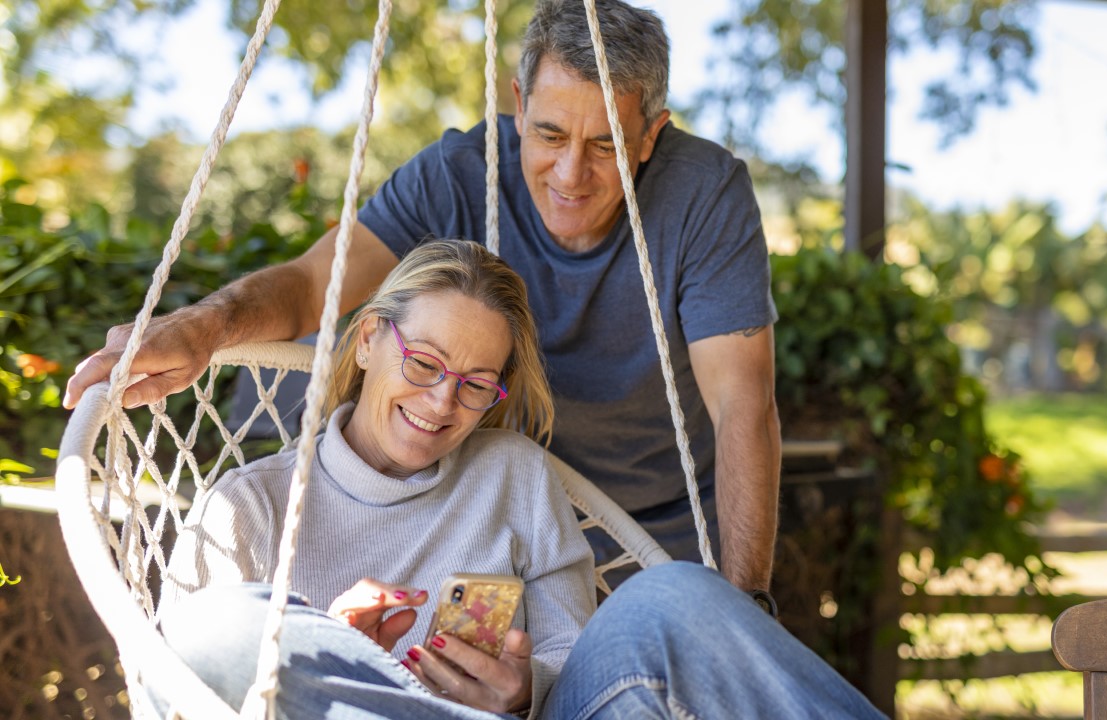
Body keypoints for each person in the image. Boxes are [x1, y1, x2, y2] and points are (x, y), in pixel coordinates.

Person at [64, 0, 781, 598]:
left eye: (607, 147)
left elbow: (741, 403)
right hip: (477, 526)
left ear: (652, 133)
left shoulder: (703, 194)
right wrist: (202, 327)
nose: (571, 173)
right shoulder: (461, 172)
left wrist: (746, 604)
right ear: (518, 103)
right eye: (550, 133)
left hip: (649, 540)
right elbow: (320, 282)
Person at [152, 239, 885, 720]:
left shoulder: (514, 477)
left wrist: (526, 692)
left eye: (476, 385)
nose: (443, 404)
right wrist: (331, 655)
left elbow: (579, 660)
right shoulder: (248, 507)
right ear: (370, 338)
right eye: (426, 364)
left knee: (676, 593)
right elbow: (169, 691)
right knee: (214, 628)